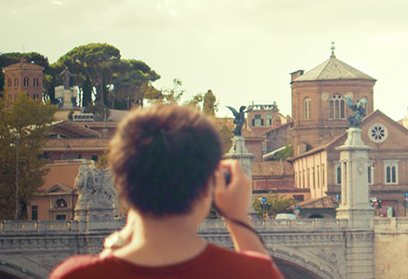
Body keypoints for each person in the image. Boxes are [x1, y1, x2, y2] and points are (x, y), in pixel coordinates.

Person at [50, 104, 284, 279]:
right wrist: (238, 218)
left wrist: (116, 243)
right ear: (208, 186)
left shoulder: (73, 275)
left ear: (119, 184)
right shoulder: (253, 273)